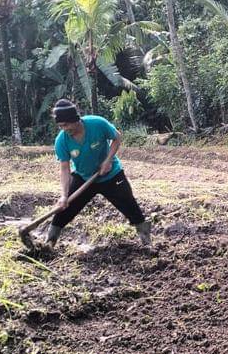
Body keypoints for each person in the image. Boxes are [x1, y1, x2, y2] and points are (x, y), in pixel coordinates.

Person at [43, 98, 152, 249]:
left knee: (129, 204)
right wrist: (63, 195)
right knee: (65, 209)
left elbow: (117, 137)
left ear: (75, 119)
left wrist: (108, 160)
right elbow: (65, 168)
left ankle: (146, 240)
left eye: (66, 124)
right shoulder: (62, 141)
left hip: (111, 175)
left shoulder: (97, 124)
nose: (64, 129)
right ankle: (49, 243)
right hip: (84, 177)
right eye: (60, 126)